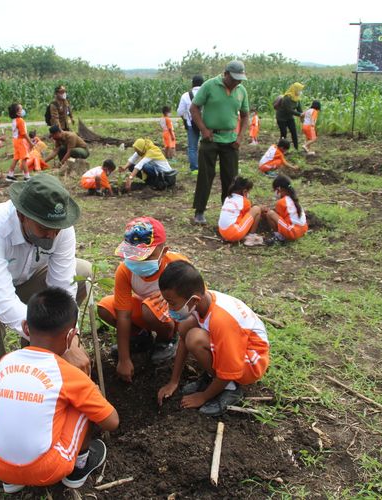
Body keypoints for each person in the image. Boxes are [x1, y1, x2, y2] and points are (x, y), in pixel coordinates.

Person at [0, 174, 93, 378]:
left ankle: (36, 349)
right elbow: (1, 300)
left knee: (81, 272)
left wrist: (68, 338)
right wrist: (54, 337)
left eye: (56, 230)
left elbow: (63, 287)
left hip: (23, 277)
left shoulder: (60, 227)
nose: (52, 236)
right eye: (43, 228)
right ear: (22, 215)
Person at [0, 287, 119, 493]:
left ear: (25, 327)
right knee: (84, 398)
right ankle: (80, 466)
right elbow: (112, 422)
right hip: (49, 469)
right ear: (71, 336)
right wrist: (93, 392)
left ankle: (11, 476)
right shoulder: (69, 374)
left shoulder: (6, 361)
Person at [156, 261, 269, 417]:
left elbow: (229, 369)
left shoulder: (222, 320)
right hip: (234, 348)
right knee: (185, 327)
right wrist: (173, 381)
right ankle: (213, 377)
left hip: (251, 361)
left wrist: (203, 396)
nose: (170, 308)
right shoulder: (200, 301)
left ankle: (231, 389)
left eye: (172, 303)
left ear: (194, 299)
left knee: (194, 338)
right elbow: (182, 339)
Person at [98, 217, 187, 383]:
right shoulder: (125, 271)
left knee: (150, 308)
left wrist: (173, 296)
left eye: (146, 256)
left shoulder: (178, 266)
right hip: (148, 310)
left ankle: (166, 341)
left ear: (164, 251)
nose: (139, 261)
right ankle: (141, 337)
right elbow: (123, 315)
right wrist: (124, 359)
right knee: (105, 307)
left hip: (175, 318)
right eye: (133, 255)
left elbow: (197, 298)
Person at [190, 61, 250, 225]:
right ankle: (200, 211)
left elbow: (245, 115)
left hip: (231, 141)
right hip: (211, 139)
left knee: (231, 178)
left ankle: (227, 210)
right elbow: (194, 108)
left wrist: (240, 137)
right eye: (234, 79)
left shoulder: (241, 90)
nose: (237, 82)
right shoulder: (209, 85)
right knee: (205, 176)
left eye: (240, 79)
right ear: (226, 74)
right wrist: (203, 129)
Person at [218, 176, 265, 246]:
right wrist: (260, 208)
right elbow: (250, 217)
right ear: (245, 191)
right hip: (233, 233)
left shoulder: (228, 198)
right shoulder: (244, 201)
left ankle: (239, 236)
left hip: (222, 232)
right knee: (256, 209)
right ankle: (251, 237)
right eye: (249, 192)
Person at [264, 174, 308, 243]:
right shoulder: (294, 199)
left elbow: (279, 218)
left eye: (274, 190)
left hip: (293, 232)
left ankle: (278, 237)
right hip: (303, 229)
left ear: (279, 189)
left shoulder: (281, 202)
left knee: (270, 214)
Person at [176, 75, 204, 172]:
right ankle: (205, 167)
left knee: (192, 147)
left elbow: (179, 112)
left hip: (192, 125)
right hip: (206, 125)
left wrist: (187, 116)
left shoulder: (185, 95)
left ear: (192, 84)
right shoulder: (207, 94)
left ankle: (194, 169)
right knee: (206, 146)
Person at [275, 82, 304, 150]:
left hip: (289, 117)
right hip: (281, 118)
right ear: (295, 89)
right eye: (299, 90)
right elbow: (289, 110)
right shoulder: (287, 98)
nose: (300, 92)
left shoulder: (297, 99)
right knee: (284, 133)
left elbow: (299, 109)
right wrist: (300, 114)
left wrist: (302, 115)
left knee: (294, 132)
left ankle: (296, 148)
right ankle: (280, 148)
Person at [6, 103, 30, 180]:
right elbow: (24, 134)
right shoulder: (20, 121)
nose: (23, 110)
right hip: (20, 141)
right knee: (24, 159)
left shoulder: (15, 120)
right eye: (21, 109)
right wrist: (30, 142)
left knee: (16, 158)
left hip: (16, 141)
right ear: (17, 112)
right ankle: (27, 176)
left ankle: (10, 175)